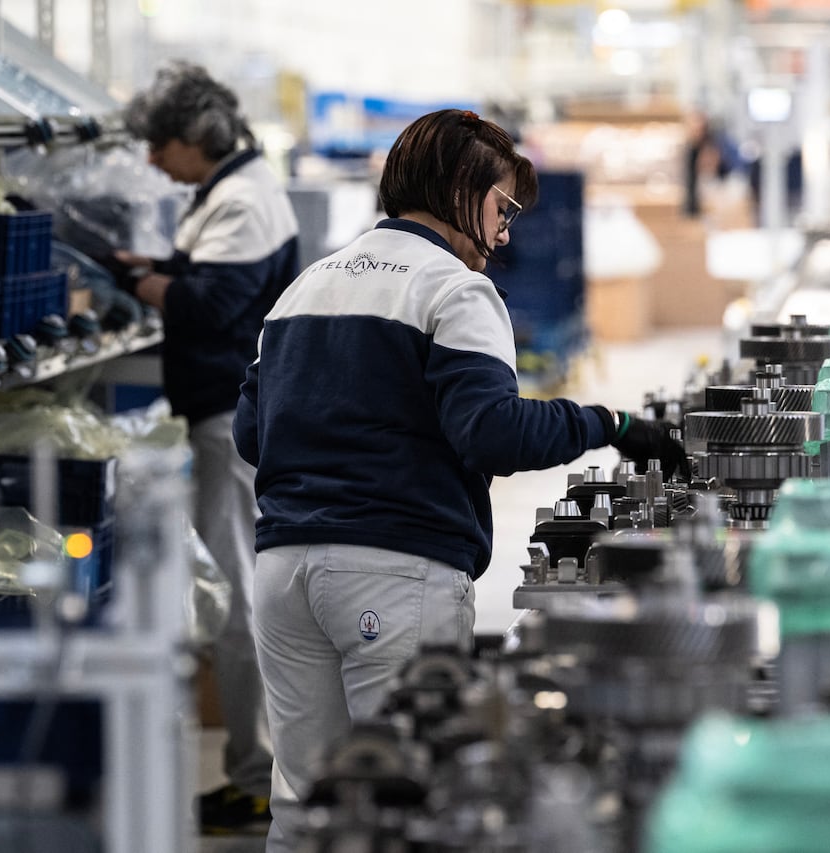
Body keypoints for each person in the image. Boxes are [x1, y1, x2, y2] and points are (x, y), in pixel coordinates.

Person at [232, 108, 686, 852]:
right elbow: (493, 432)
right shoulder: (454, 291)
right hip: (394, 569)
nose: (505, 234)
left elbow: (250, 434)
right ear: (459, 188)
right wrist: (611, 423)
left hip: (283, 573)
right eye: (502, 208)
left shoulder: (306, 287)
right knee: (413, 801)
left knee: (310, 802)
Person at [118, 60, 300, 834]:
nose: (153, 158)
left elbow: (211, 306)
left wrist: (135, 281)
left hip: (229, 415)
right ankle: (253, 770)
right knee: (236, 588)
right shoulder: (226, 191)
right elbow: (203, 277)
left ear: (199, 136)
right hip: (222, 412)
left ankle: (259, 777)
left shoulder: (245, 199)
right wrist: (158, 268)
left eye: (161, 143)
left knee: (233, 594)